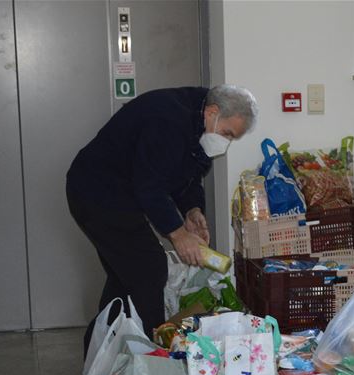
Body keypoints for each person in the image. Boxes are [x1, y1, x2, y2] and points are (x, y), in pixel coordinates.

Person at [66, 84, 258, 356]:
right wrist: (178, 235)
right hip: (96, 191)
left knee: (127, 277)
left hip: (122, 193)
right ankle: (154, 355)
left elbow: (187, 176)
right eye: (227, 133)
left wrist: (193, 211)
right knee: (149, 269)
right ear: (213, 112)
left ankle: (102, 356)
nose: (226, 142)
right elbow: (150, 186)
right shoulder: (167, 119)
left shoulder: (200, 120)